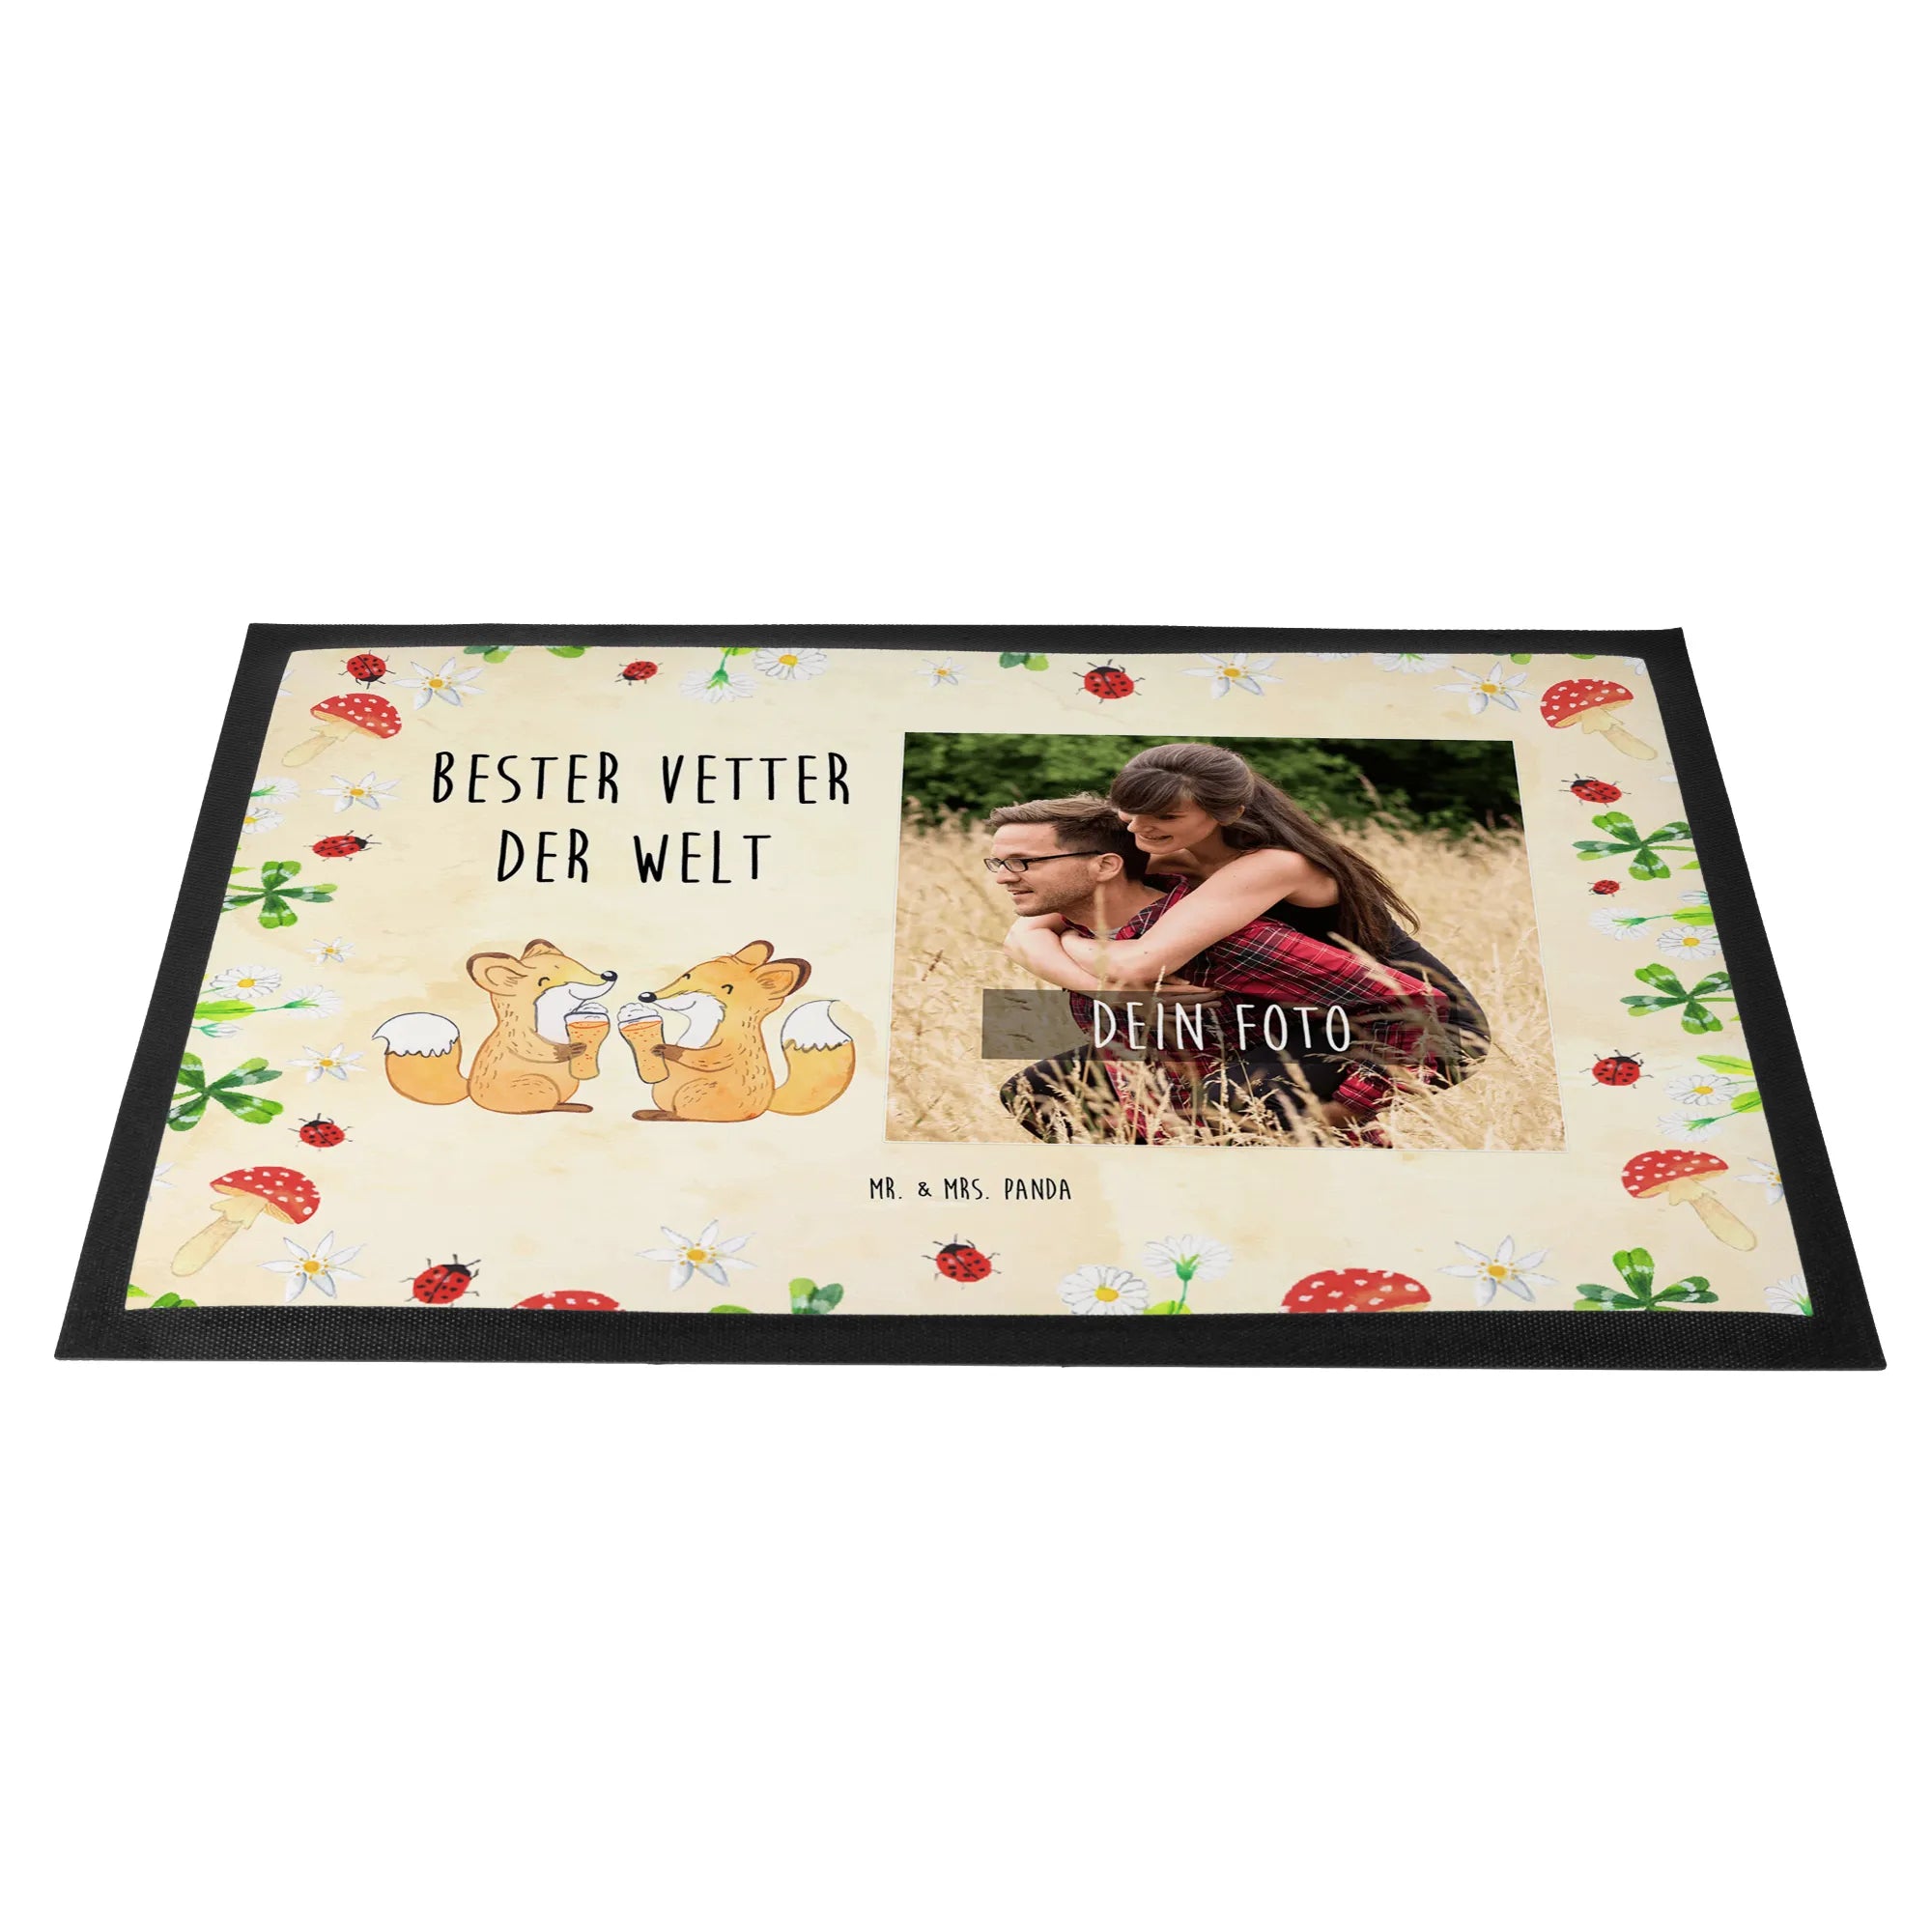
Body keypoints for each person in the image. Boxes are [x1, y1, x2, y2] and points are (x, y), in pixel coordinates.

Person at [985, 793, 1455, 1143]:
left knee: (1223, 1107)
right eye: (998, 862)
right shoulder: (1074, 934)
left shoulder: (1226, 940)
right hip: (1185, 1112)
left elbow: (1416, 1005)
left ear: (1106, 865)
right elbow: (1024, 941)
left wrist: (1347, 1109)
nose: (1004, 877)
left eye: (1024, 862)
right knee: (1036, 1093)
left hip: (1266, 1121)